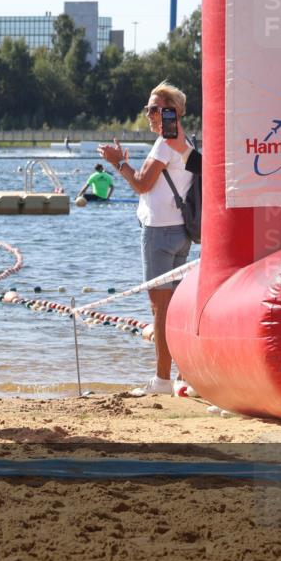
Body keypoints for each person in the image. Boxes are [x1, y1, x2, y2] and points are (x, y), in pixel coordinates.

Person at [97, 81, 197, 396]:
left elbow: (142, 184)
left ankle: (162, 381)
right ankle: (184, 375)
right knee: (176, 309)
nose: (149, 115)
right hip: (181, 231)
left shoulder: (164, 145)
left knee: (161, 310)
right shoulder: (185, 142)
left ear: (171, 111)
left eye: (154, 109)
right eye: (148, 109)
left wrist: (119, 163)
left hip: (158, 232)